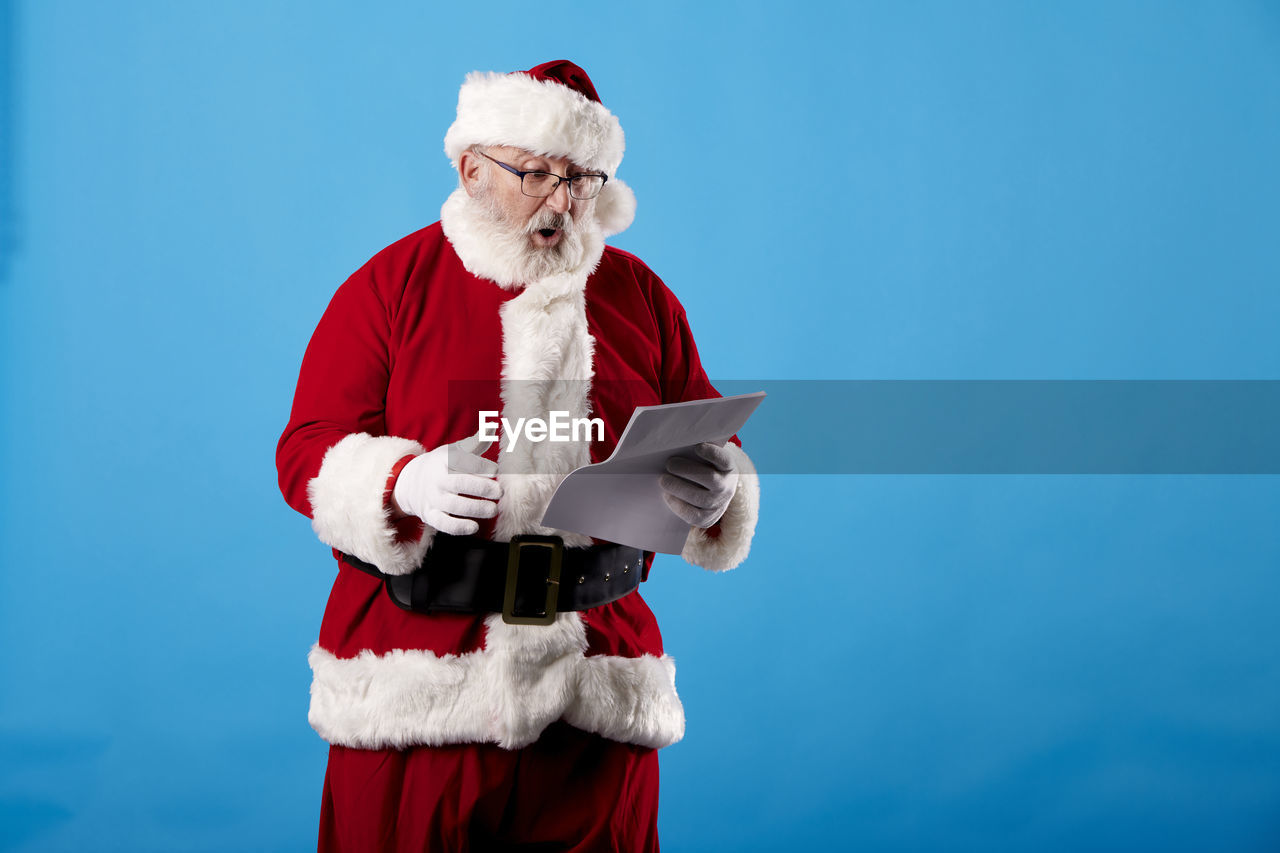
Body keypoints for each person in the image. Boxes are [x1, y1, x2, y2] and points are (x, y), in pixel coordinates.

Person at [276, 60, 760, 851]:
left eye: (581, 179)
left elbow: (708, 445)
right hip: (420, 690)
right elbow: (306, 450)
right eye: (535, 173)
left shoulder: (642, 298)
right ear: (471, 168)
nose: (561, 201)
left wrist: (718, 492)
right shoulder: (387, 287)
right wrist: (404, 482)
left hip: (597, 689)